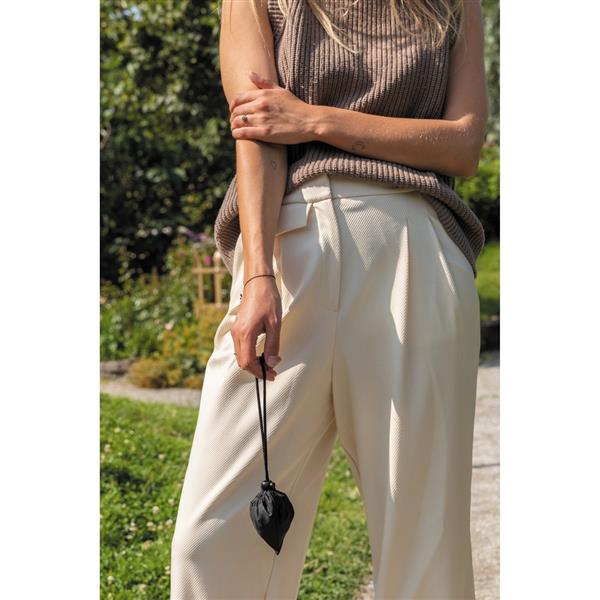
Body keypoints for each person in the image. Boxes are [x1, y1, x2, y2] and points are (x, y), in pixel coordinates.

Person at [171, 0, 489, 598]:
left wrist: (315, 120)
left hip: (415, 249)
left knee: (424, 542)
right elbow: (258, 128)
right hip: (291, 250)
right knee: (208, 539)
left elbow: (463, 145)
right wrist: (258, 277)